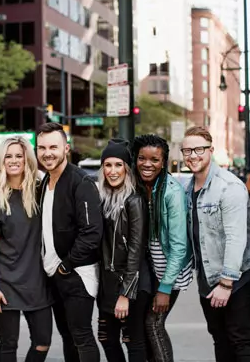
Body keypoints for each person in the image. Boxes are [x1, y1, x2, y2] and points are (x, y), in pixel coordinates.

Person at [181, 126, 250, 362]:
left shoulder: (229, 187)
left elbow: (237, 238)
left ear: (211, 150)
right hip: (207, 278)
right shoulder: (188, 188)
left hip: (237, 278)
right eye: (187, 150)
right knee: (220, 338)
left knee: (240, 338)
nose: (192, 155)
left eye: (198, 149)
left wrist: (226, 284)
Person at [0, 136, 53, 362]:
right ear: (1, 161)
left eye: (18, 156)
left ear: (26, 159)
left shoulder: (41, 192)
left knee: (42, 342)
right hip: (5, 282)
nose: (13, 161)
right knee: (9, 344)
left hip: (37, 281)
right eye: (8, 156)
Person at [36, 123, 103, 362]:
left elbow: (92, 233)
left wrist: (66, 265)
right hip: (54, 275)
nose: (47, 153)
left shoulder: (80, 182)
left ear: (66, 148)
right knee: (68, 336)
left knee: (82, 336)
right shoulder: (44, 183)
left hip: (77, 274)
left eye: (53, 146)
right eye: (42, 147)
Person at [132, 134, 192, 362]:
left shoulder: (171, 193)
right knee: (144, 326)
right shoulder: (139, 186)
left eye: (154, 160)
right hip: (151, 268)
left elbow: (178, 246)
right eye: (142, 158)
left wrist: (165, 288)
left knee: (154, 323)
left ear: (164, 162)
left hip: (169, 270)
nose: (147, 164)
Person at [97, 139, 149, 362]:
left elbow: (135, 250)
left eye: (118, 165)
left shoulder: (134, 200)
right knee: (107, 338)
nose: (112, 171)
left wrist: (125, 294)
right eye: (108, 165)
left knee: (133, 341)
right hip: (109, 282)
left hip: (132, 283)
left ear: (127, 169)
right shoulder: (102, 199)